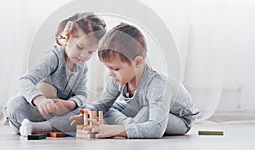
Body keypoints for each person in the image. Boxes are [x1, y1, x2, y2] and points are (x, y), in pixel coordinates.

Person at [70, 23, 199, 139]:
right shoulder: (119, 78)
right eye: (108, 68)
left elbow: (157, 128)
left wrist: (119, 130)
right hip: (139, 110)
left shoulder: (157, 84)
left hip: (177, 118)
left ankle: (129, 126)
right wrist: (89, 110)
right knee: (105, 110)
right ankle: (133, 124)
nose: (111, 73)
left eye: (115, 68)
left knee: (147, 112)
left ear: (137, 62)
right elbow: (103, 103)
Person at [4, 12, 106, 136]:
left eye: (90, 52)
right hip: (37, 110)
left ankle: (39, 127)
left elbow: (82, 94)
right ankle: (34, 125)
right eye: (80, 47)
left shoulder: (82, 66)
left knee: (88, 110)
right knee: (15, 104)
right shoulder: (53, 57)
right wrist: (40, 100)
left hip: (60, 114)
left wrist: (70, 104)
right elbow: (24, 81)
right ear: (67, 36)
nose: (84, 55)